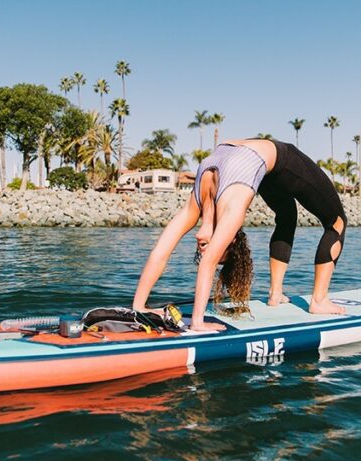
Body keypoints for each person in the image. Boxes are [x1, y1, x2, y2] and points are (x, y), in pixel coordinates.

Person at [131, 138, 348, 331]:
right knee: (327, 221)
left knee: (310, 218)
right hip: (270, 161)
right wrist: (140, 308)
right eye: (217, 251)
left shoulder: (195, 206)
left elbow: (170, 255)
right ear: (231, 238)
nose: (205, 250)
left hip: (266, 160)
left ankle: (302, 297)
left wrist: (196, 321)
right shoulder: (231, 211)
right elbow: (172, 255)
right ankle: (297, 297)